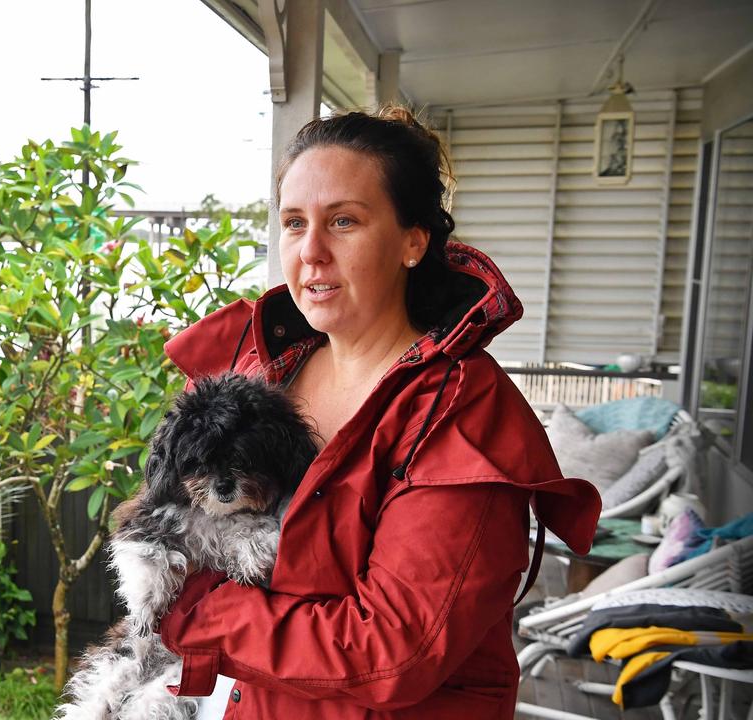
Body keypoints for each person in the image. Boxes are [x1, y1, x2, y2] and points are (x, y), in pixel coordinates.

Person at [156, 108, 601, 719]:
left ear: (413, 241)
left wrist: (193, 611)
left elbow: (390, 649)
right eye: (293, 223)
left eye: (343, 221)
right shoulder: (265, 373)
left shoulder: (459, 416)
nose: (311, 252)